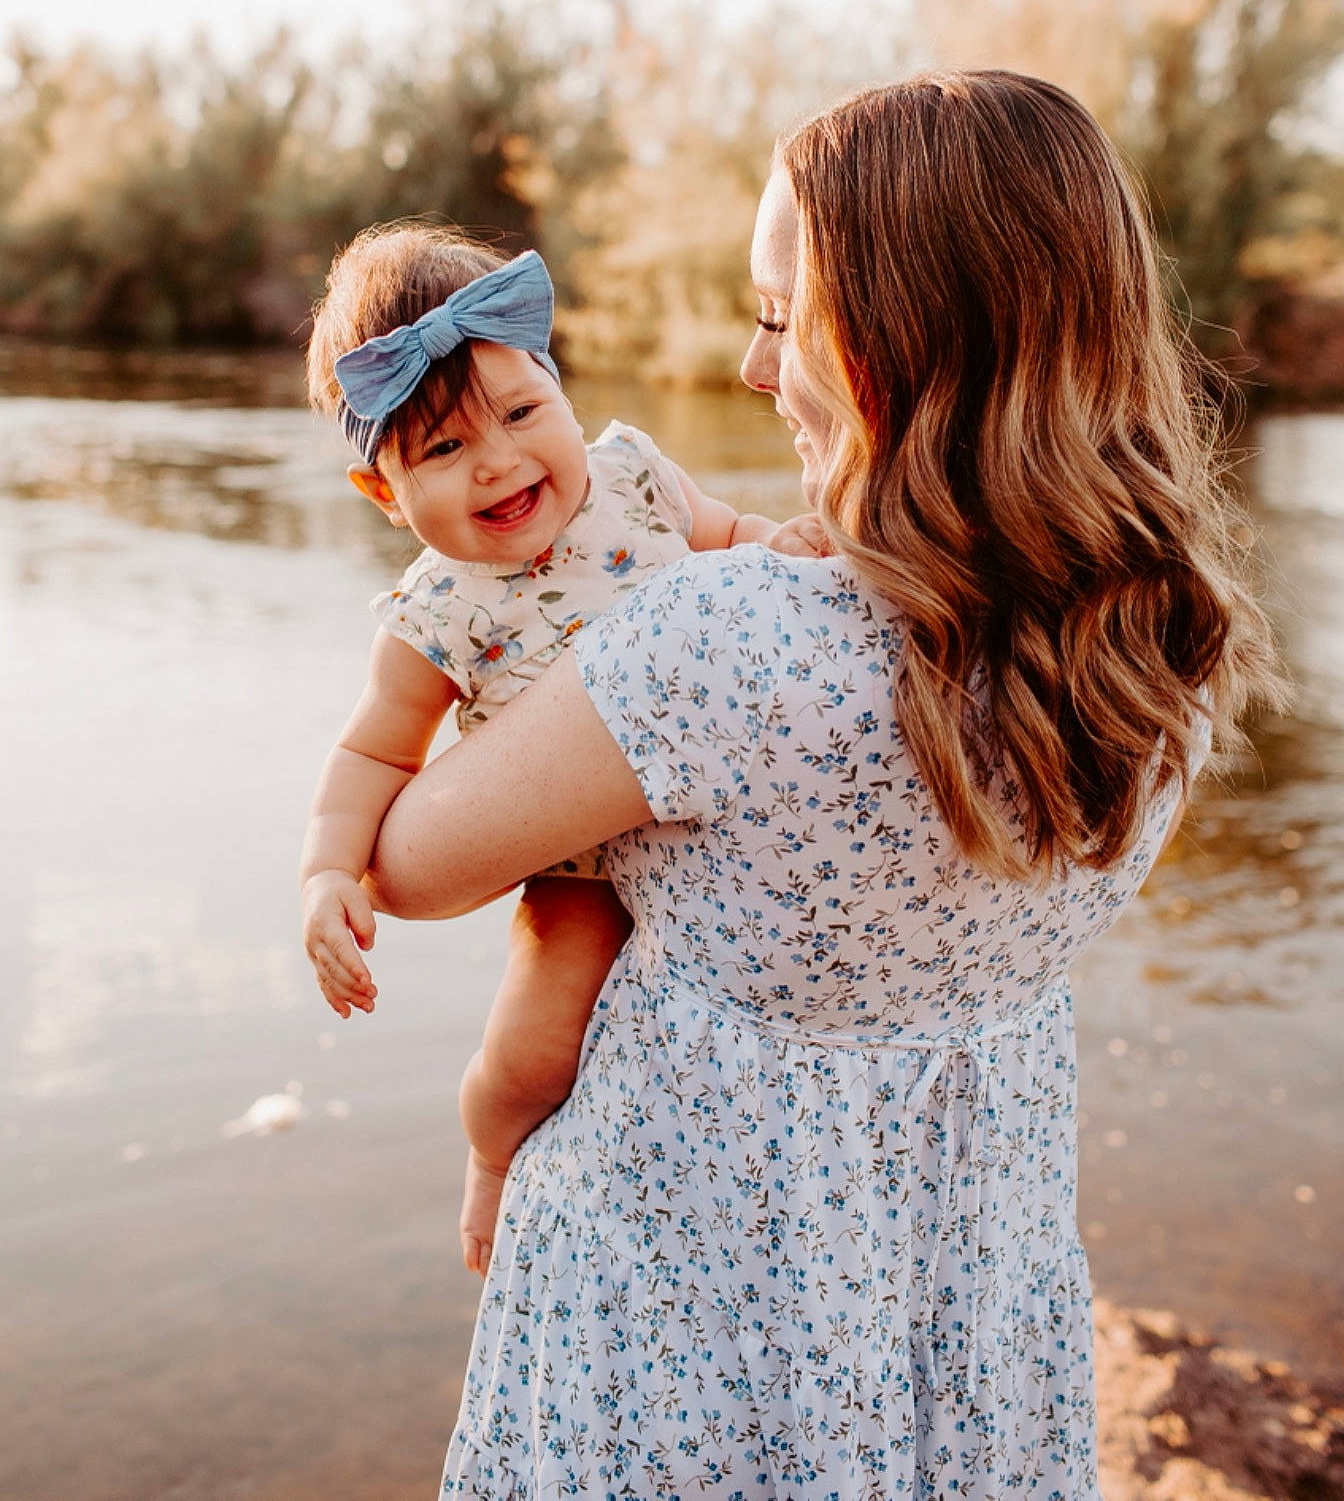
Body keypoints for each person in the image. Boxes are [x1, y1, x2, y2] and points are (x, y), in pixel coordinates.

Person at [365, 73, 1284, 1499]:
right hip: (964, 1309)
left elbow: (411, 863)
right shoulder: (1161, 644)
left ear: (904, 338)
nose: (749, 370)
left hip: (682, 1336)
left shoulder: (729, 644)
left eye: (780, 318)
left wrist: (488, 651)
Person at [299, 224, 818, 1273]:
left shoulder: (632, 475)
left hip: (715, 827)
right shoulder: (433, 612)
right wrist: (327, 870)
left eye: (523, 411)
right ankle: (494, 1157)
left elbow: (726, 537)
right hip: (578, 869)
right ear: (384, 493)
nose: (498, 461)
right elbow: (372, 755)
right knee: (539, 1055)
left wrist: (794, 551)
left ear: (561, 385)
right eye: (442, 449)